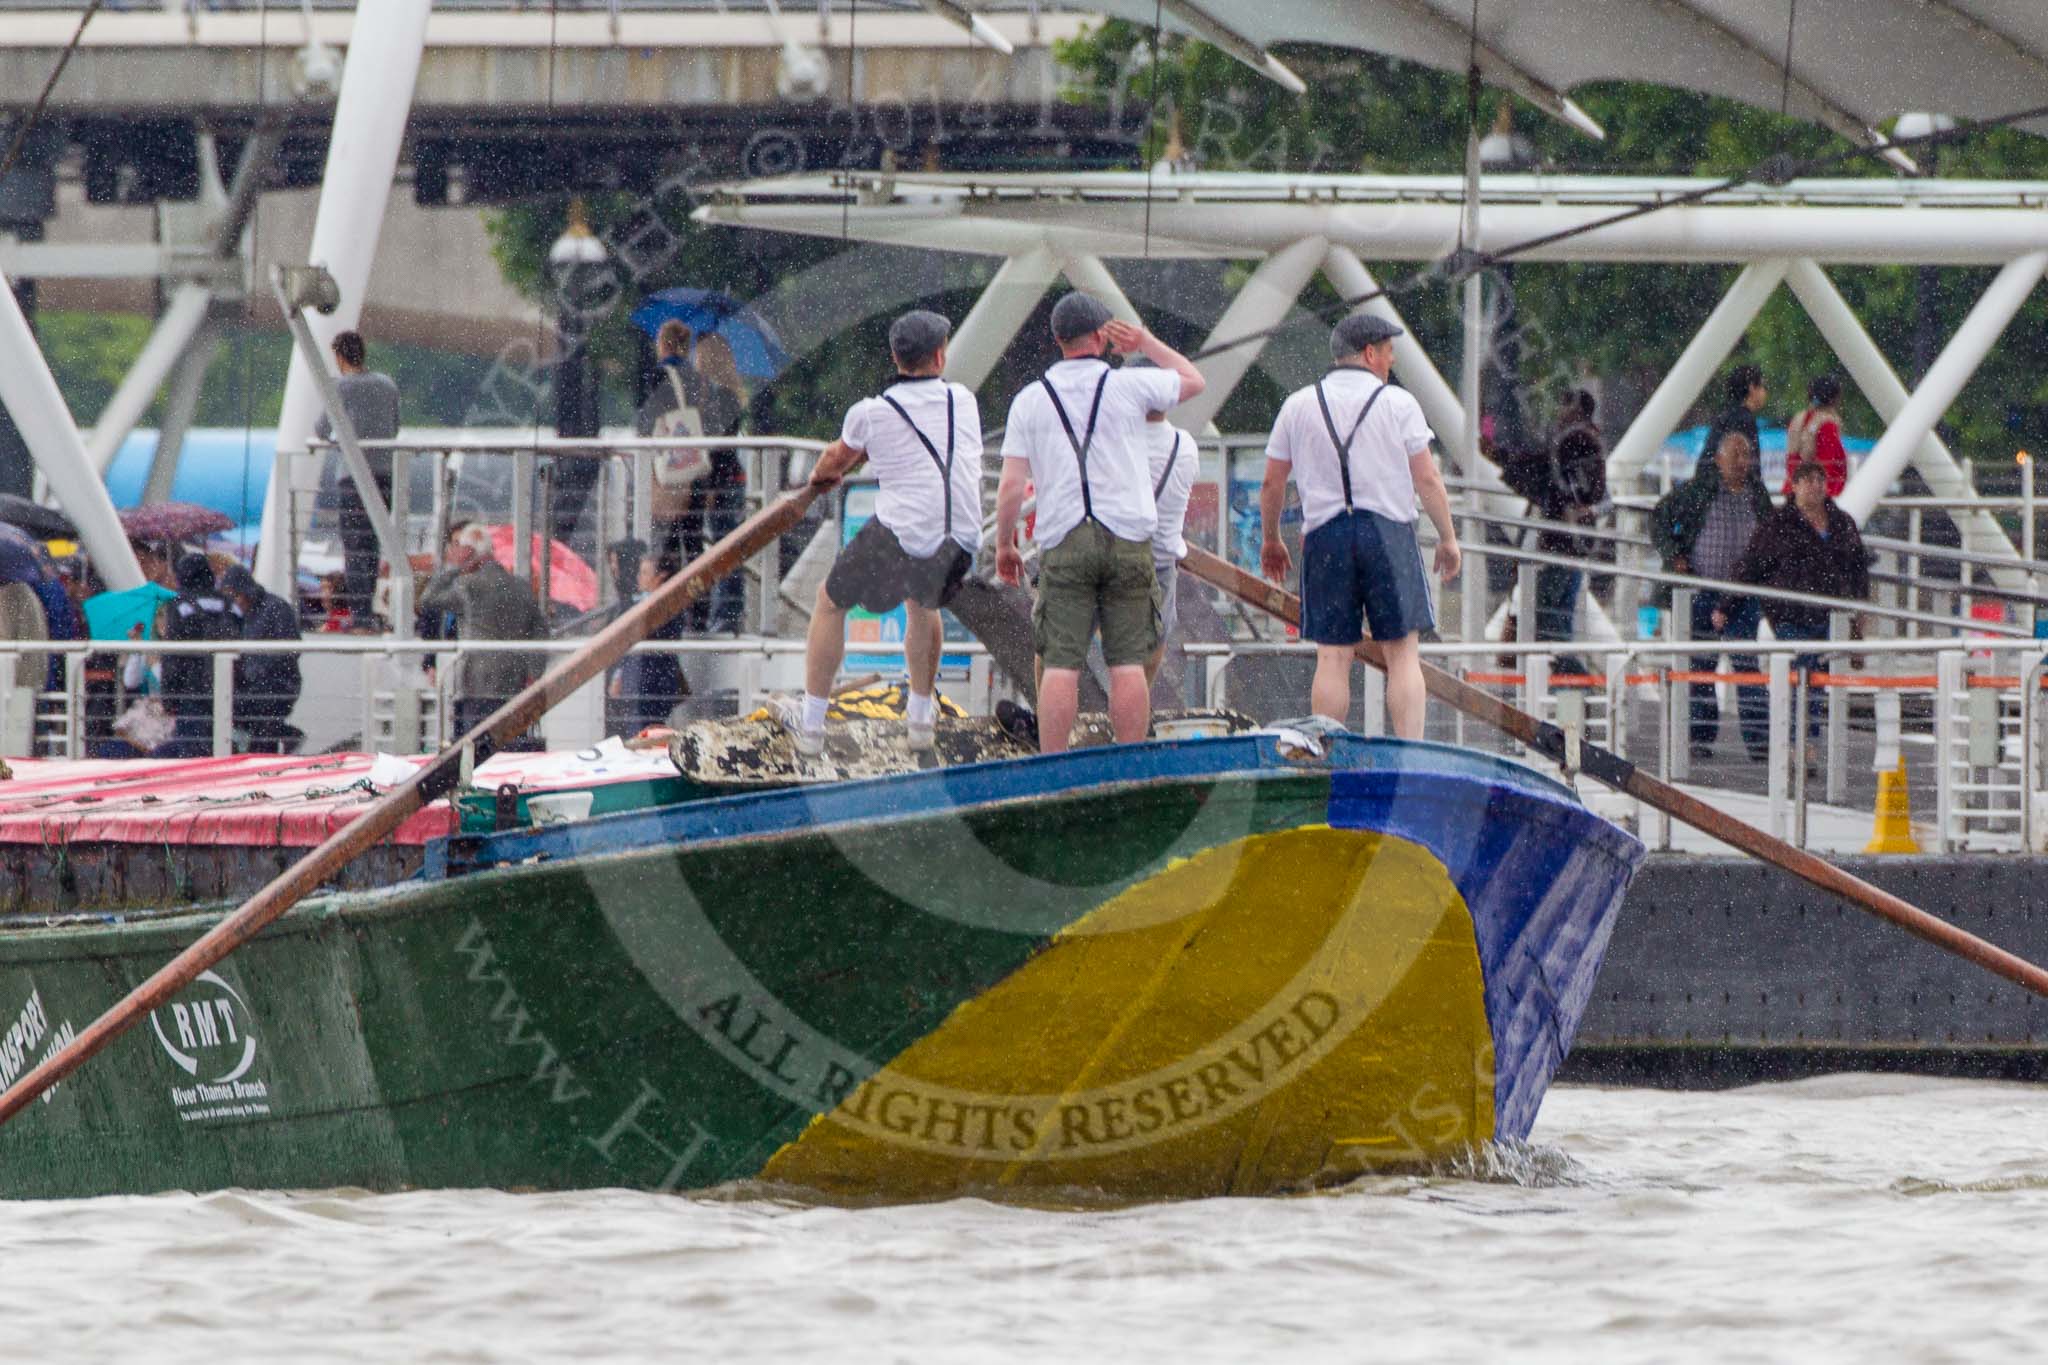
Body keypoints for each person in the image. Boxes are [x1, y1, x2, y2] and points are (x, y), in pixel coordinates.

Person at [993, 293, 1204, 753]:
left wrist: (1005, 544)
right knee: (1128, 663)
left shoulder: (1030, 400)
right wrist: (1145, 341)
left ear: (1056, 339)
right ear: (1101, 338)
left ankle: (1054, 766)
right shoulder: (1129, 388)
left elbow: (1011, 486)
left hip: (1064, 539)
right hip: (1128, 540)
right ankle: (1126, 765)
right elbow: (1193, 380)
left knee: (1060, 663)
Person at [776, 309, 984, 756]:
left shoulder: (871, 412)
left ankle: (810, 727)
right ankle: (921, 721)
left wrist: (818, 479)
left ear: (894, 357)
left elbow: (835, 461)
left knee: (830, 604)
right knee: (923, 602)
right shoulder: (963, 400)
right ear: (940, 355)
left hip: (904, 534)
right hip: (962, 539)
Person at [1259, 313, 1461, 737]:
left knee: (1333, 657)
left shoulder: (1298, 405)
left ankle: (1325, 752)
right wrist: (1447, 537)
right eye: (1388, 352)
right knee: (1403, 654)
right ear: (1370, 353)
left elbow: (1272, 481)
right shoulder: (1398, 404)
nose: (1390, 362)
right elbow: (1427, 478)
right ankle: (1410, 756)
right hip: (1389, 535)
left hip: (1326, 537)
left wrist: (1271, 538)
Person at [1651, 429, 1775, 761]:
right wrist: (1673, 554)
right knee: (1701, 666)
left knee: (1747, 666)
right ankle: (1700, 737)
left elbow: (1772, 534)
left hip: (1742, 595)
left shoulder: (1756, 495)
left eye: (1745, 454)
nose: (1740, 461)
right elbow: (1660, 516)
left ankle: (1760, 742)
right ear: (1718, 459)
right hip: (1702, 589)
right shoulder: (1700, 492)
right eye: (1733, 454)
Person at [1736, 458, 1870, 746]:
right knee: (1802, 677)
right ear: (1794, 486)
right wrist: (1727, 603)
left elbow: (1858, 570)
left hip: (1830, 615)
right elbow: (1752, 563)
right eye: (1807, 480)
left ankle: (1802, 740)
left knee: (1816, 682)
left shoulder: (1841, 522)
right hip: (1792, 614)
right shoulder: (1779, 524)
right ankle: (1801, 742)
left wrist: (1860, 616)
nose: (1814, 486)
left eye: (1819, 480)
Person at [1501, 389, 1607, 672]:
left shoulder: (1575, 441)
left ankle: (1572, 682)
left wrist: (1505, 460)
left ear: (1576, 410)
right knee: (1557, 616)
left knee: (1549, 619)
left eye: (1565, 406)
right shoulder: (1586, 440)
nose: (1560, 413)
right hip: (1572, 541)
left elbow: (1548, 477)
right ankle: (1569, 688)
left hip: (1562, 541)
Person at [418, 522, 551, 747]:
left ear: (470, 552)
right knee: (512, 747)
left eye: (458, 547)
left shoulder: (468, 585)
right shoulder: (518, 585)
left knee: (474, 750)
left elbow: (428, 599)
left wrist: (456, 569)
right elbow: (541, 629)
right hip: (515, 683)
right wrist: (534, 671)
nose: (454, 552)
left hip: (476, 684)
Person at [314, 330, 402, 624]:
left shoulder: (341, 388)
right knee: (373, 542)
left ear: (339, 357)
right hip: (384, 473)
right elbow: (395, 425)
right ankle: (369, 611)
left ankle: (360, 614)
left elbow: (321, 430)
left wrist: (345, 436)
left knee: (354, 545)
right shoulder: (387, 385)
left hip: (353, 475)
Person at [687, 333, 750, 634]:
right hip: (725, 479)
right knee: (725, 544)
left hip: (724, 482)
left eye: (699, 355)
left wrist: (711, 486)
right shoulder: (720, 394)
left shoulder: (722, 397)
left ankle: (727, 612)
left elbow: (720, 448)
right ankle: (723, 610)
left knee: (726, 545)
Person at [156, 551, 243, 758]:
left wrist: (169, 697)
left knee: (191, 754)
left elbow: (172, 656)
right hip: (228, 690)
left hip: (192, 692)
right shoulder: (230, 605)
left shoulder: (180, 605)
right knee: (224, 749)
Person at [607, 542, 690, 738]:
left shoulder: (667, 606)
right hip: (640, 681)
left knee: (645, 732)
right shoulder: (641, 604)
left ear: (660, 577)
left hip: (652, 682)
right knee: (637, 731)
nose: (639, 577)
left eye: (645, 573)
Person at [220, 564, 304, 753]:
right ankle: (281, 738)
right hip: (259, 686)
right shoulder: (249, 614)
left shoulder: (275, 608)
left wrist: (261, 668)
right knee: (258, 727)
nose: (235, 601)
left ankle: (280, 739)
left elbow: (292, 648)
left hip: (277, 683)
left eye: (235, 595)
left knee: (260, 726)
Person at [1784, 373, 1850, 497]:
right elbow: (1826, 465)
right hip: (1817, 495)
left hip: (1795, 488)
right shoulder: (1827, 424)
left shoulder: (1798, 419)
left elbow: (1791, 459)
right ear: (1834, 399)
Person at [1701, 364, 1767, 482]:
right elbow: (1751, 465)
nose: (1765, 392)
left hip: (1711, 485)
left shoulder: (1725, 415)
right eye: (1763, 386)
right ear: (1752, 387)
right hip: (1728, 490)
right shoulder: (1744, 419)